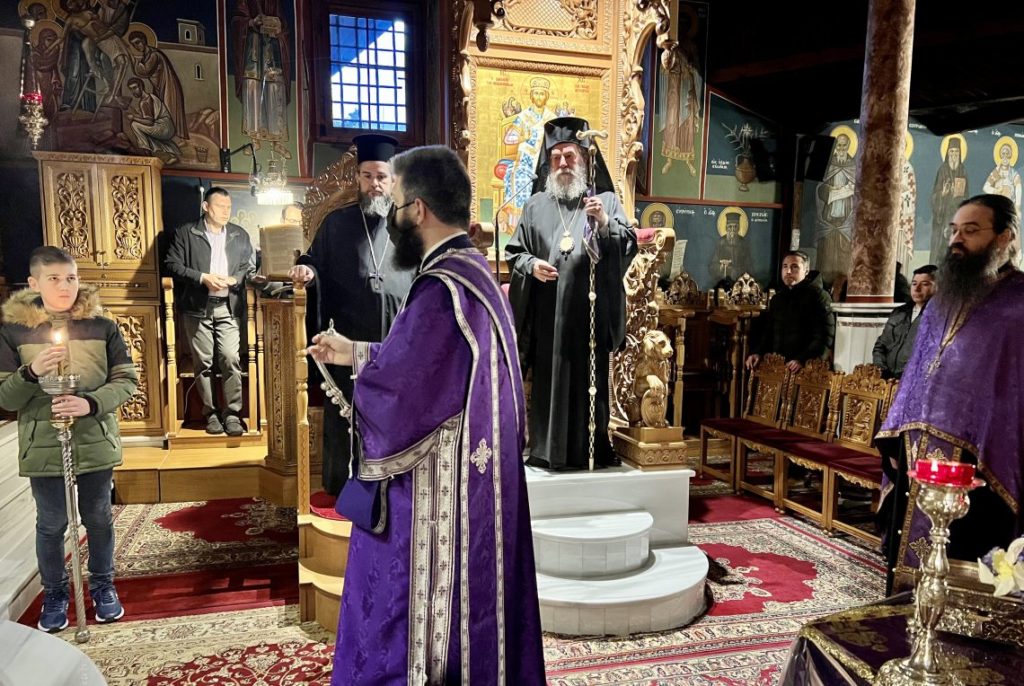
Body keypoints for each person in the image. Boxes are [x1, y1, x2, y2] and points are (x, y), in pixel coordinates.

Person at [308, 145, 545, 684]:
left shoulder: (440, 288)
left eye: (397, 204)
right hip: (484, 485)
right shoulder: (477, 276)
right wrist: (355, 352)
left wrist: (364, 378)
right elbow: (427, 366)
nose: (393, 217)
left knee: (392, 603)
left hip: (441, 494)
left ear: (417, 210)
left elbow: (402, 394)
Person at [877, 194, 1024, 594]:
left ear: (1004, 237)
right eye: (954, 230)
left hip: (983, 457)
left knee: (968, 564)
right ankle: (904, 613)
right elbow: (916, 372)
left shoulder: (1019, 304)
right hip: (919, 449)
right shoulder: (941, 301)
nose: (957, 239)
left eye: (971, 230)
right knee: (909, 564)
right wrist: (895, 433)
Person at [0, 247, 138, 632]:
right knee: (51, 523)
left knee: (98, 517)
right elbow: (5, 399)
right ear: (34, 283)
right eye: (55, 279)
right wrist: (30, 373)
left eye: (71, 278)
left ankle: (103, 585)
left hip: (94, 437)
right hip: (43, 442)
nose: (65, 287)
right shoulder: (14, 332)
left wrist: (90, 403)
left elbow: (126, 380)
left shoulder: (102, 326)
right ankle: (55, 592)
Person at [505, 116, 637, 471]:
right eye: (556, 158)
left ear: (583, 160)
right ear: (548, 164)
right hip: (548, 316)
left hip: (589, 315)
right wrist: (531, 265)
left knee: (588, 383)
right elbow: (515, 252)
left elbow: (628, 244)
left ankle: (590, 450)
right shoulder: (535, 206)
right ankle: (547, 450)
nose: (563, 163)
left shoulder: (604, 200)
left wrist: (605, 224)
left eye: (569, 156)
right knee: (550, 380)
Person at [288, 134, 415, 495]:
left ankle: (394, 481)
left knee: (394, 412)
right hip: (347, 339)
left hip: (395, 338)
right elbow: (313, 260)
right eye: (367, 176)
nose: (375, 184)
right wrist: (308, 271)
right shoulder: (336, 223)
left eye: (381, 177)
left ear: (393, 180)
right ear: (358, 178)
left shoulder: (410, 226)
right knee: (347, 411)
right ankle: (344, 483)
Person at [164, 187, 256, 436]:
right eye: (220, 206)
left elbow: (247, 266)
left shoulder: (239, 234)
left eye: (229, 207)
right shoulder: (187, 233)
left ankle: (232, 413)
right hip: (197, 307)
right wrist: (202, 277)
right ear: (206, 207)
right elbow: (172, 264)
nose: (226, 212)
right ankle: (210, 413)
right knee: (203, 362)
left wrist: (235, 279)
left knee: (230, 358)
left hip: (229, 305)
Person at [745, 251, 835, 373]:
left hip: (805, 369)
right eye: (785, 266)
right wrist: (758, 353)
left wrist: (802, 359)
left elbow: (824, 336)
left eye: (794, 267)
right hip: (778, 368)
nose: (788, 271)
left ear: (806, 271)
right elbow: (769, 333)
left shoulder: (819, 296)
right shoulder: (778, 298)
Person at [871, 264, 937, 379]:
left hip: (913, 382)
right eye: (914, 284)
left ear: (937, 287)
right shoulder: (899, 313)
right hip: (886, 380)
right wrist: (882, 370)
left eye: (925, 284)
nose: (917, 289)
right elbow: (880, 346)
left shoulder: (938, 318)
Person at [815, 133, 857, 285]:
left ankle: (843, 287)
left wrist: (850, 190)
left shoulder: (853, 167)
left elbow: (860, 192)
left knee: (844, 258)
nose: (841, 149)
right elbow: (820, 189)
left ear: (848, 147)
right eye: (838, 145)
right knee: (827, 256)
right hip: (829, 220)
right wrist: (831, 190)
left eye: (844, 145)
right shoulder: (829, 165)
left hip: (846, 221)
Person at [929, 136, 970, 264]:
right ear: (947, 153)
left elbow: (966, 196)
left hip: (956, 215)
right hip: (942, 217)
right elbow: (935, 196)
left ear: (960, 153)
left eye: (956, 152)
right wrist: (943, 193)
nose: (954, 155)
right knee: (940, 249)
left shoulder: (963, 171)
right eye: (951, 152)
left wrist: (959, 196)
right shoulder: (942, 170)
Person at [708, 209, 753, 283]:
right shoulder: (721, 243)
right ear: (726, 228)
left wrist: (734, 270)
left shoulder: (743, 244)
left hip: (740, 281)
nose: (732, 230)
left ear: (739, 228)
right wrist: (721, 266)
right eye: (730, 227)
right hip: (723, 281)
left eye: (735, 227)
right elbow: (712, 266)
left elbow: (749, 267)